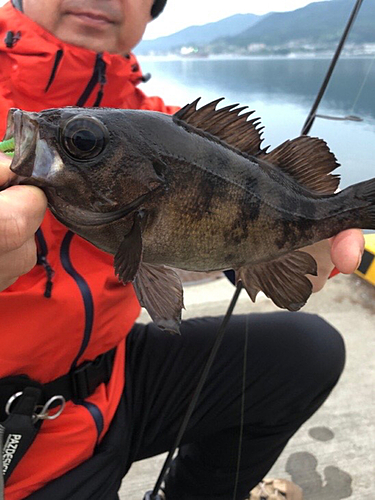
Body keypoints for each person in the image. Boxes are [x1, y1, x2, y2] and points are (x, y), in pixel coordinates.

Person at [0, 1, 364, 499]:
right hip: (23, 449)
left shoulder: (164, 122)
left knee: (307, 351)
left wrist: (280, 249)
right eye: (82, 141)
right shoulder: (83, 136)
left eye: (83, 140)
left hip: (117, 378)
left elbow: (213, 227)